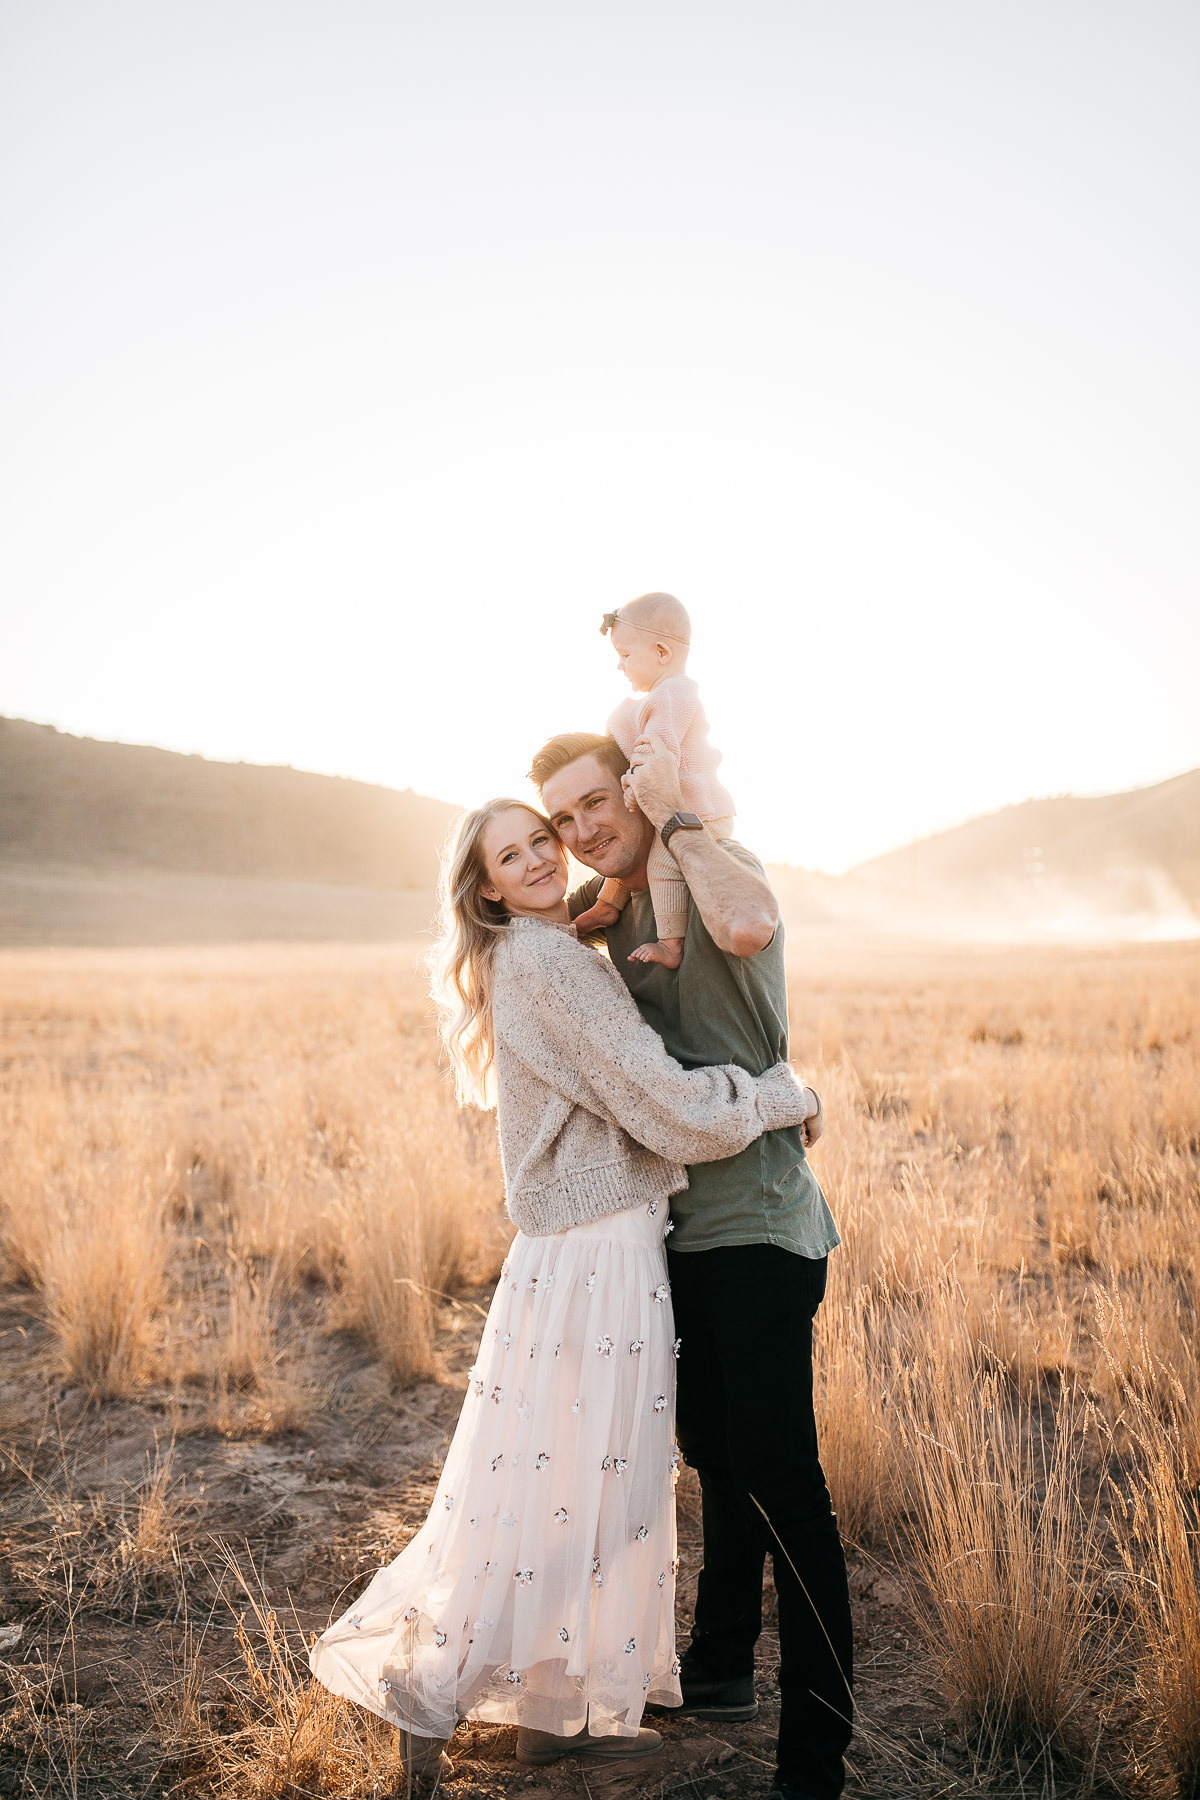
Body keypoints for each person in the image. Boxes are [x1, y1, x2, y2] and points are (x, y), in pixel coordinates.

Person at [308, 797, 821, 1788]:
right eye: (514, 854)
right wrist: (783, 1096)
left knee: (568, 1481)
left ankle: (552, 1712)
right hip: (599, 1256)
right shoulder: (549, 964)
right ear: (486, 887)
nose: (541, 857)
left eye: (542, 838)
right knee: (600, 1486)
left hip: (573, 1251)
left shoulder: (529, 958)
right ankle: (439, 1686)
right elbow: (662, 1103)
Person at [532, 732, 853, 1800]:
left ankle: (818, 1749)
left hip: (759, 1223)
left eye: (593, 803)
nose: (581, 832)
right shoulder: (611, 912)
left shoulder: (713, 866)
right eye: (562, 819)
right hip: (673, 1231)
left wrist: (677, 819)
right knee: (714, 1455)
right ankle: (720, 1670)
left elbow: (750, 925)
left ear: (635, 784)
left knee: (781, 1480)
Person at [573, 591, 735, 970]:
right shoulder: (665, 694)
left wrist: (634, 784)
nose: (619, 665)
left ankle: (670, 944)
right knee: (636, 851)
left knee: (660, 865)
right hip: (686, 804)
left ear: (662, 652)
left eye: (625, 655)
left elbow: (659, 753)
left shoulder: (673, 694)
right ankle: (607, 905)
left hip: (697, 811)